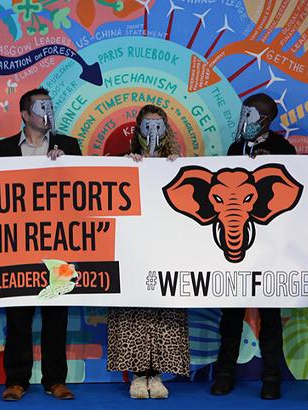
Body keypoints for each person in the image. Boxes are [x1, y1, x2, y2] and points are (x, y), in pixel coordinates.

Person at [0, 87, 81, 401]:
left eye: (49, 107)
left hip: (59, 244)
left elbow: (83, 191)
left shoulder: (68, 146)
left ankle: (55, 380)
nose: (46, 113)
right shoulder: (1, 150)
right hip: (16, 245)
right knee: (18, 317)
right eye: (40, 108)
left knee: (57, 317)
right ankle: (16, 380)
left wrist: (66, 164)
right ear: (25, 115)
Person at [211, 93, 296, 400]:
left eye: (249, 115)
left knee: (270, 316)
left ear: (265, 120)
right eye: (243, 114)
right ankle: (224, 373)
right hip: (235, 250)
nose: (243, 120)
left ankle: (271, 377)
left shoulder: (282, 148)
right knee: (230, 314)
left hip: (269, 249)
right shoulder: (235, 148)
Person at [107, 104, 188, 400]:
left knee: (163, 308)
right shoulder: (124, 161)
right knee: (134, 307)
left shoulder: (176, 163)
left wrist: (176, 167)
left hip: (166, 247)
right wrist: (127, 166)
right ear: (137, 127)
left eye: (158, 124)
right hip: (132, 248)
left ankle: (158, 373)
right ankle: (138, 374)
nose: (152, 130)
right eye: (147, 124)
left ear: (166, 128)